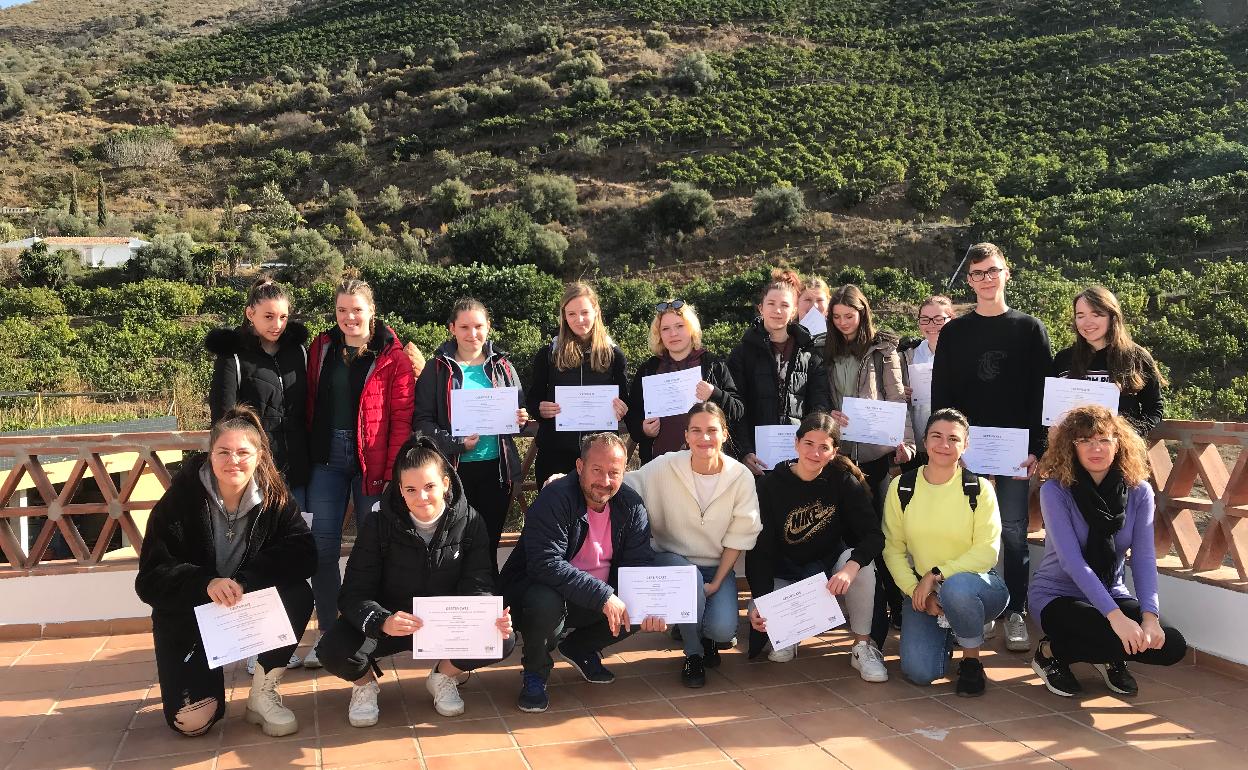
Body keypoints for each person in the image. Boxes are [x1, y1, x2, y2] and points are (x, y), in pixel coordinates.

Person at [135, 406, 315, 737]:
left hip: (246, 607)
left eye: (243, 452)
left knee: (298, 593)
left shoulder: (274, 497)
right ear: (210, 454)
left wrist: (248, 580)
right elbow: (150, 579)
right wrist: (204, 583)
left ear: (259, 456)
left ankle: (262, 692)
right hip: (194, 616)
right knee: (191, 723)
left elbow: (304, 553)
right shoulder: (180, 500)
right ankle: (205, 681)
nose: (233, 461)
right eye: (224, 452)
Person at [317, 435, 516, 723]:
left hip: (446, 625)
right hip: (393, 623)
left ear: (446, 483)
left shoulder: (471, 521)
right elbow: (353, 593)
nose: (421, 497)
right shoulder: (377, 524)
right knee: (332, 649)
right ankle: (365, 683)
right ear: (400, 490)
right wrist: (381, 620)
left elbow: (479, 581)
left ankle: (443, 676)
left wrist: (487, 613)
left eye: (430, 486)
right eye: (411, 489)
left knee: (502, 639)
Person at [930, 243, 1052, 653]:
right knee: (966, 532)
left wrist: (1038, 446)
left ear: (1006, 273)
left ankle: (1015, 611)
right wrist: (948, 445)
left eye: (993, 271)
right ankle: (969, 609)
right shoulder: (954, 332)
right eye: (978, 273)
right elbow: (941, 396)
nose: (986, 279)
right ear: (969, 280)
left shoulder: (1030, 329)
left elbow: (1043, 394)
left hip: (1015, 450)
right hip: (967, 451)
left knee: (1016, 532)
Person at [499, 433, 665, 713]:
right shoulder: (556, 497)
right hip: (545, 593)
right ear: (579, 467)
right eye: (597, 470)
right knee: (544, 599)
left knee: (638, 601)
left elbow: (638, 564)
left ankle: (580, 648)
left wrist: (653, 606)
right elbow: (545, 563)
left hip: (595, 598)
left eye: (614, 473)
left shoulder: (631, 505)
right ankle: (535, 672)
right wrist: (604, 595)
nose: (605, 481)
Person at [1029, 406, 1186, 697]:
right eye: (1085, 441)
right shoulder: (1056, 490)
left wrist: (1150, 616)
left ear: (1118, 443)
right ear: (1070, 447)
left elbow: (1143, 558)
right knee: (1114, 634)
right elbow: (1071, 561)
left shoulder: (1139, 491)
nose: (1096, 448)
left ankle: (1107, 653)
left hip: (1112, 591)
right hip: (1057, 595)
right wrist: (1116, 618)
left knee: (1171, 645)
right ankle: (1050, 653)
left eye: (1103, 439)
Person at [304, 278, 416, 667]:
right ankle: (327, 635)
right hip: (326, 460)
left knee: (374, 551)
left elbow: (402, 419)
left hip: (374, 462)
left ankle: (371, 634)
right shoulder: (321, 348)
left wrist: (391, 471)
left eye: (357, 309)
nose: (349, 317)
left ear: (372, 311)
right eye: (342, 310)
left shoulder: (393, 356)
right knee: (322, 549)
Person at [205, 278, 311, 671]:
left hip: (296, 473)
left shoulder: (297, 353)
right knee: (255, 557)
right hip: (254, 476)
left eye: (283, 316)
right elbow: (224, 419)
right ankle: (255, 647)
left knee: (287, 556)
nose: (277, 323)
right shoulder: (232, 358)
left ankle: (282, 642)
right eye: (268, 316)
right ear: (250, 314)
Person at [624, 402, 761, 687]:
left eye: (712, 430)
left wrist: (717, 582)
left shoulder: (740, 477)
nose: (704, 438)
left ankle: (699, 630)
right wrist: (571, 478)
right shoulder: (665, 466)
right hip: (672, 561)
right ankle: (694, 653)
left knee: (723, 630)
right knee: (690, 581)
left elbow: (739, 537)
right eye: (696, 430)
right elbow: (624, 482)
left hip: (716, 567)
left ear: (724, 434)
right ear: (686, 436)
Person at [746, 412, 887, 681]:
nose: (815, 452)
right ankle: (789, 632)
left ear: (834, 452)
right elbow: (760, 550)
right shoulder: (770, 485)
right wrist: (759, 602)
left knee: (860, 565)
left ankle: (862, 646)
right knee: (770, 634)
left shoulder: (843, 482)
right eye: (809, 443)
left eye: (824, 447)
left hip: (826, 574)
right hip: (784, 573)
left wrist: (850, 567)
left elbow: (873, 535)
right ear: (796, 443)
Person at [882, 408, 1008, 697]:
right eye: (936, 436)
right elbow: (893, 550)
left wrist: (935, 575)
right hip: (925, 590)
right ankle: (954, 624)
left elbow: (987, 553)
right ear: (925, 442)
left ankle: (971, 660)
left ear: (965, 445)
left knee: (957, 589)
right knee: (920, 672)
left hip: (977, 586)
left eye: (953, 438)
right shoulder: (902, 487)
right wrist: (920, 593)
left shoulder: (980, 489)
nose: (944, 445)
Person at [823, 283, 915, 645]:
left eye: (850, 316)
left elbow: (898, 399)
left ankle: (897, 607)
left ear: (863, 314)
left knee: (885, 533)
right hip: (842, 456)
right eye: (837, 317)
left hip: (878, 457)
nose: (844, 323)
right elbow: (823, 397)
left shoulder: (884, 350)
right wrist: (828, 416)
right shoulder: (825, 351)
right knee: (853, 533)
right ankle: (863, 610)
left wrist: (905, 442)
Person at [413, 298, 528, 573]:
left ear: (488, 327)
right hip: (453, 472)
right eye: (464, 327)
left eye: (478, 326)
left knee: (488, 543)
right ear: (452, 328)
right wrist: (456, 444)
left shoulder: (503, 366)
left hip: (497, 471)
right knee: (455, 546)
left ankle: (487, 608)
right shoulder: (437, 368)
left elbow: (518, 415)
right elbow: (422, 422)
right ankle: (457, 611)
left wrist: (520, 419)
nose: (472, 333)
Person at [527, 282, 630, 487]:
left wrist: (623, 408)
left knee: (598, 516)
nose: (579, 319)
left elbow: (626, 400)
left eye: (584, 312)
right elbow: (532, 399)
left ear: (596, 311)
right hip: (555, 454)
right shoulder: (548, 354)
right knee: (556, 515)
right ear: (564, 316)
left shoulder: (614, 355)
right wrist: (540, 409)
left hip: (600, 458)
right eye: (572, 314)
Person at [729, 269, 831, 475]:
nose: (777, 311)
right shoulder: (742, 353)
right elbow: (735, 407)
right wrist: (744, 452)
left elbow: (819, 402)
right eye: (771, 304)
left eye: (785, 305)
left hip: (800, 458)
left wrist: (810, 446)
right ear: (761, 308)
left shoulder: (809, 353)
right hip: (755, 460)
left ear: (793, 311)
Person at [626, 299, 743, 464]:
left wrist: (714, 393)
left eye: (680, 326)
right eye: (665, 329)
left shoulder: (713, 365)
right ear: (659, 334)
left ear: (691, 329)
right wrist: (643, 429)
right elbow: (632, 417)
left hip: (707, 466)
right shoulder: (648, 370)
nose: (673, 333)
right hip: (659, 466)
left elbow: (738, 410)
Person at [1053, 287, 1165, 438]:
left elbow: (1154, 408)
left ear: (1112, 317)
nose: (1087, 322)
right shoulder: (1063, 359)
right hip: (1070, 453)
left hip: (1121, 454)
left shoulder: (1137, 358)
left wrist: (1130, 436)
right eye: (1080, 316)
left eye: (1096, 314)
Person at [901, 295, 955, 466]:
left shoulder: (963, 354)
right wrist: (901, 392)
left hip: (951, 442)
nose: (931, 325)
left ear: (951, 319)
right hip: (918, 441)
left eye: (938, 319)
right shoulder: (907, 355)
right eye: (925, 319)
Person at [796, 276, 832, 346]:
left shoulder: (838, 336)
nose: (814, 306)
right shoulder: (785, 336)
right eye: (808, 300)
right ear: (797, 302)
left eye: (820, 300)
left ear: (828, 303)